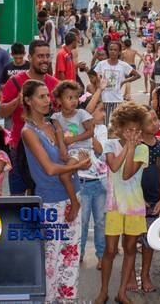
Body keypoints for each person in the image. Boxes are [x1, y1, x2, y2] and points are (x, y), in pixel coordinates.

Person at [21, 80, 90, 302]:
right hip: (50, 202)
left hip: (72, 195)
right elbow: (50, 169)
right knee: (51, 261)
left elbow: (62, 157)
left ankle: (67, 300)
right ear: (28, 101)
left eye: (47, 96)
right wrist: (77, 166)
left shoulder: (54, 124)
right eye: (40, 97)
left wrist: (77, 159)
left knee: (71, 255)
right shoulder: (28, 132)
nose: (46, 101)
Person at [95, 103, 149, 304]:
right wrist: (128, 146)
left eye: (136, 130)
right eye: (128, 129)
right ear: (119, 127)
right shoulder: (110, 145)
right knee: (110, 250)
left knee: (130, 249)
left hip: (135, 206)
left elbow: (127, 175)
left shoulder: (143, 149)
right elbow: (116, 167)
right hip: (114, 206)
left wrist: (133, 146)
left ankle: (122, 292)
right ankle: (103, 291)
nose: (132, 133)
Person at [52, 81, 106, 268]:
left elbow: (92, 136)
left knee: (99, 222)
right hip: (74, 164)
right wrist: (63, 148)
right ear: (59, 100)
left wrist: (73, 140)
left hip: (87, 161)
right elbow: (59, 134)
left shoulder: (85, 116)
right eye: (69, 98)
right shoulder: (56, 116)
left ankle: (101, 255)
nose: (73, 101)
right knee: (80, 222)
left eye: (76, 97)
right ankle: (78, 253)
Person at [0, 40, 60, 196]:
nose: (45, 60)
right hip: (19, 147)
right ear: (30, 57)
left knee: (40, 196)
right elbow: (2, 112)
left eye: (47, 56)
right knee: (17, 199)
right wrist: (17, 101)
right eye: (40, 56)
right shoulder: (15, 81)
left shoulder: (55, 84)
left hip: (46, 148)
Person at [132, 110, 160, 294]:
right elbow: (129, 175)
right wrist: (138, 199)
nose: (155, 123)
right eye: (150, 121)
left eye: (156, 119)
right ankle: (130, 273)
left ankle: (145, 274)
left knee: (149, 241)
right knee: (130, 240)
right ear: (139, 126)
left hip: (154, 202)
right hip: (134, 201)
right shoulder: (135, 146)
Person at [95, 41, 139, 126]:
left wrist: (124, 81)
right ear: (108, 50)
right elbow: (97, 81)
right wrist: (99, 95)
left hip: (117, 100)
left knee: (116, 125)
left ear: (119, 52)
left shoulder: (123, 65)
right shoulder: (101, 64)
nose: (112, 52)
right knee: (105, 125)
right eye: (110, 49)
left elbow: (137, 75)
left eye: (115, 50)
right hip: (104, 100)